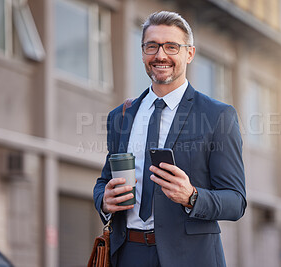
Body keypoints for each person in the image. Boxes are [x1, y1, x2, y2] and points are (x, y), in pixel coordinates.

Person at [93, 11, 246, 267]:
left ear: (189, 53)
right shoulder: (121, 116)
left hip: (190, 257)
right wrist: (104, 201)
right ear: (143, 53)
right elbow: (104, 180)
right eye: (152, 46)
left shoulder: (217, 115)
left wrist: (192, 196)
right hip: (128, 253)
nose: (160, 55)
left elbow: (236, 201)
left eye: (171, 46)